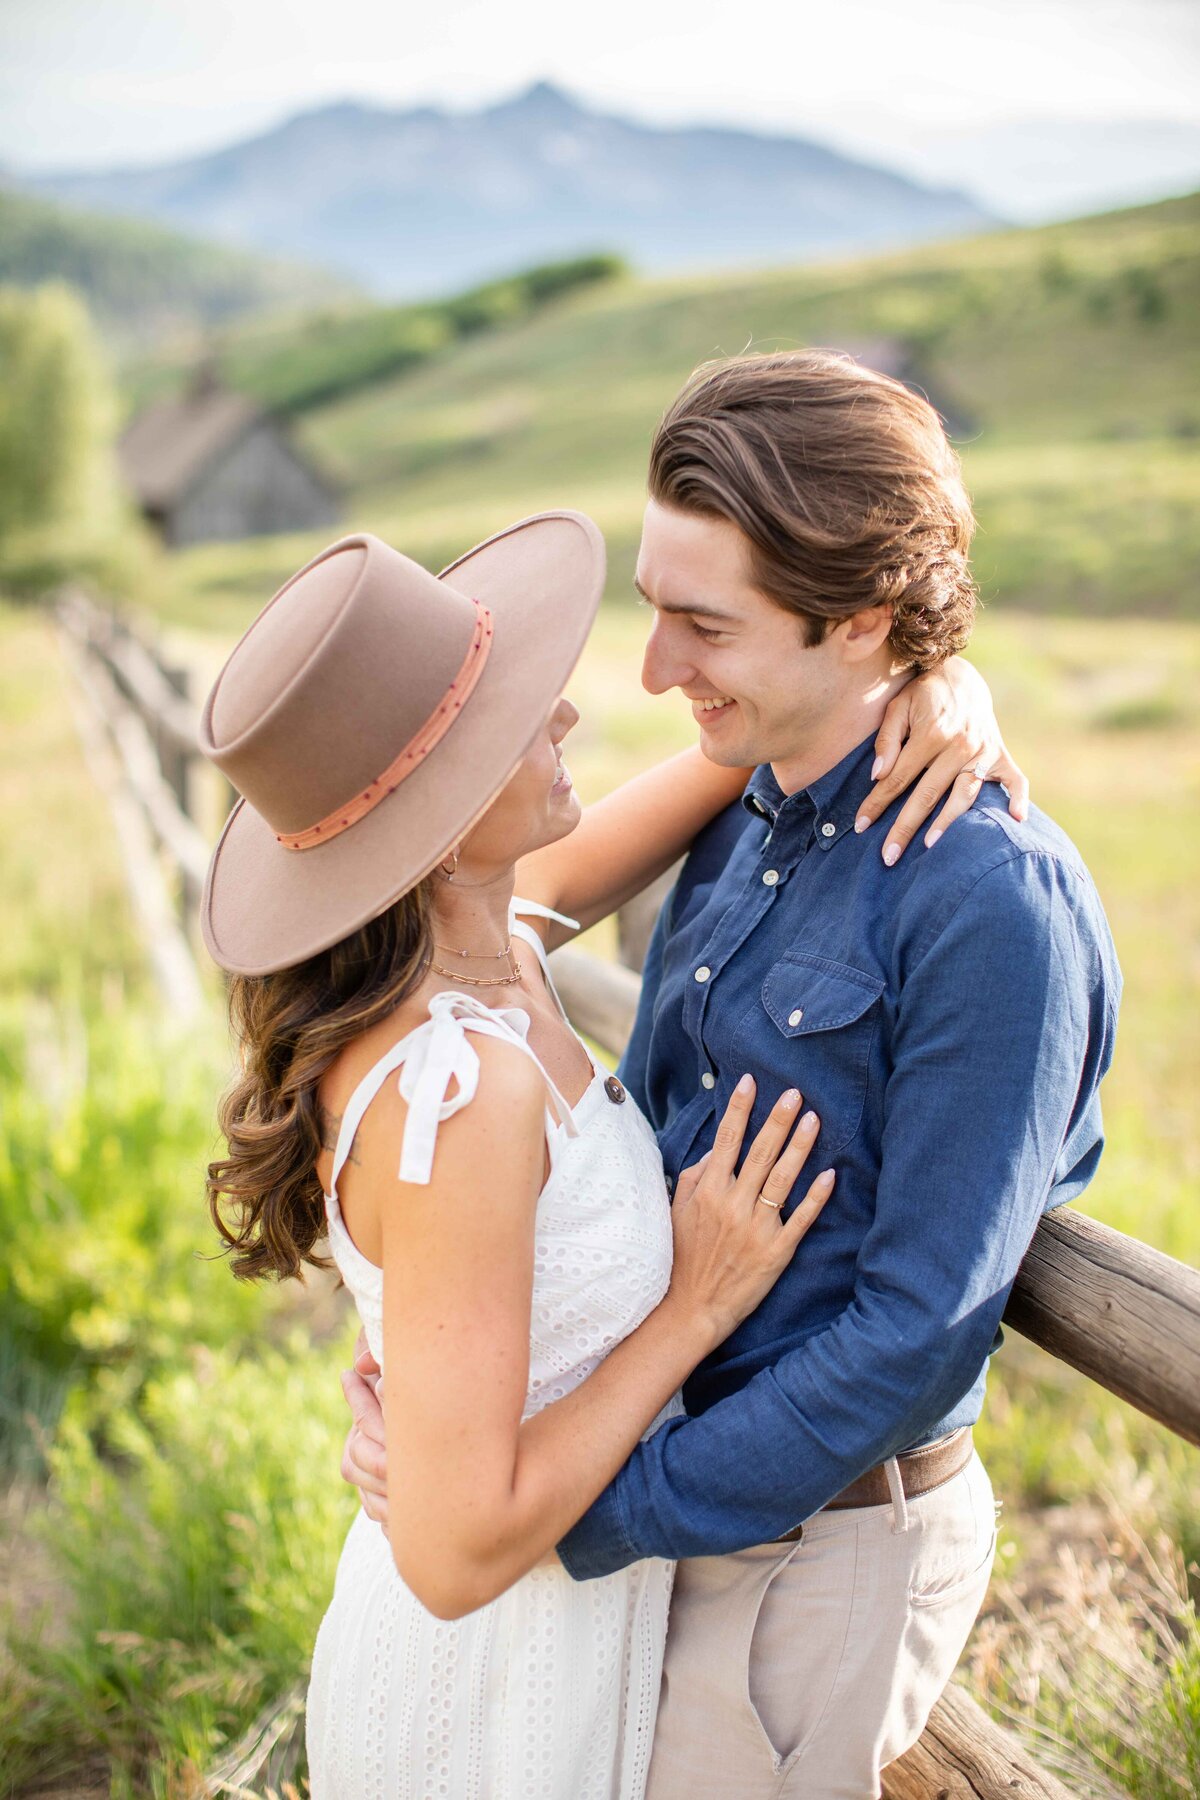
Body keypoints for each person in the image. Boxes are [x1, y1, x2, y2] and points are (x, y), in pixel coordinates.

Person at [340, 352, 1122, 1798]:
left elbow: (911, 1336)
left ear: (861, 623)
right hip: (658, 1515)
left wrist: (550, 1517)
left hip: (801, 1551)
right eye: (653, 611)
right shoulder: (747, 810)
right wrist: (511, 1479)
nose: (649, 673)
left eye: (704, 625)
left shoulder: (989, 905)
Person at [201, 490, 1014, 1798]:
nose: (571, 709)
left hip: (554, 1650)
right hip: (496, 1695)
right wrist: (690, 1308)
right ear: (437, 804)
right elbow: (458, 1553)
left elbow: (751, 750)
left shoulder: (489, 944)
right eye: (522, 712)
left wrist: (933, 677)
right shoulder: (459, 1087)